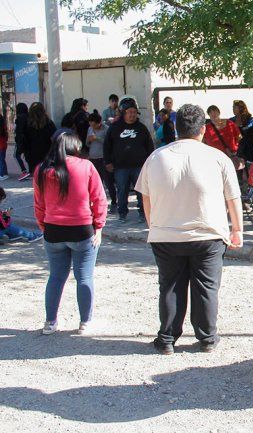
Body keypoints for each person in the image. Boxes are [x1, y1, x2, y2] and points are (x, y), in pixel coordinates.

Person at [135, 104, 244, 355]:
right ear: (203, 130)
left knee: (170, 285)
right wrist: (237, 229)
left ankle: (167, 338)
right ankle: (207, 338)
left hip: (165, 233)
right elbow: (233, 198)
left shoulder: (156, 157)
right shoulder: (218, 158)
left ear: (175, 128)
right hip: (208, 235)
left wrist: (154, 226)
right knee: (206, 286)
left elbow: (146, 198)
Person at [33, 132, 107, 335]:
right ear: (75, 146)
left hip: (53, 230)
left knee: (56, 277)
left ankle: (50, 322)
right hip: (82, 229)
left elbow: (39, 205)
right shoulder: (86, 166)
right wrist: (99, 227)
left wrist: (43, 226)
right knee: (84, 277)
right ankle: (85, 322)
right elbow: (99, 199)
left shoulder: (41, 170)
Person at [103, 97, 154, 224]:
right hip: (121, 167)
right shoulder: (115, 127)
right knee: (122, 190)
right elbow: (106, 146)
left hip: (139, 167)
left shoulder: (141, 128)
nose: (132, 115)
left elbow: (149, 146)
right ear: (124, 113)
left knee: (142, 191)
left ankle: (143, 213)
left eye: (134, 112)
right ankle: (122, 213)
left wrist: (150, 163)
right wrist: (108, 162)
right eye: (129, 112)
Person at [86, 110, 117, 214]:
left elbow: (109, 143)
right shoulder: (90, 129)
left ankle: (114, 202)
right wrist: (89, 140)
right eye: (90, 123)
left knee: (108, 182)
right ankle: (95, 203)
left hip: (103, 158)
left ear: (99, 123)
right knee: (94, 183)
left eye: (94, 124)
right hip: (93, 158)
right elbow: (87, 143)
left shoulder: (106, 129)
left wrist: (97, 138)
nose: (92, 126)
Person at [23, 102, 57, 174]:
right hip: (47, 154)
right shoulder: (49, 123)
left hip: (32, 154)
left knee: (36, 176)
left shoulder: (27, 124)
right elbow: (54, 138)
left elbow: (24, 140)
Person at [14, 103, 30, 180]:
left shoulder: (20, 118)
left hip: (21, 141)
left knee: (16, 155)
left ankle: (24, 171)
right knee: (28, 156)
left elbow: (19, 131)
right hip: (28, 140)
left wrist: (18, 141)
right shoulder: (28, 117)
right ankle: (30, 170)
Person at [0, 112, 7, 181]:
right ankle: (4, 173)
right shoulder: (3, 124)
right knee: (2, 159)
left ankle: (2, 174)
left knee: (1, 160)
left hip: (1, 144)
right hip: (3, 144)